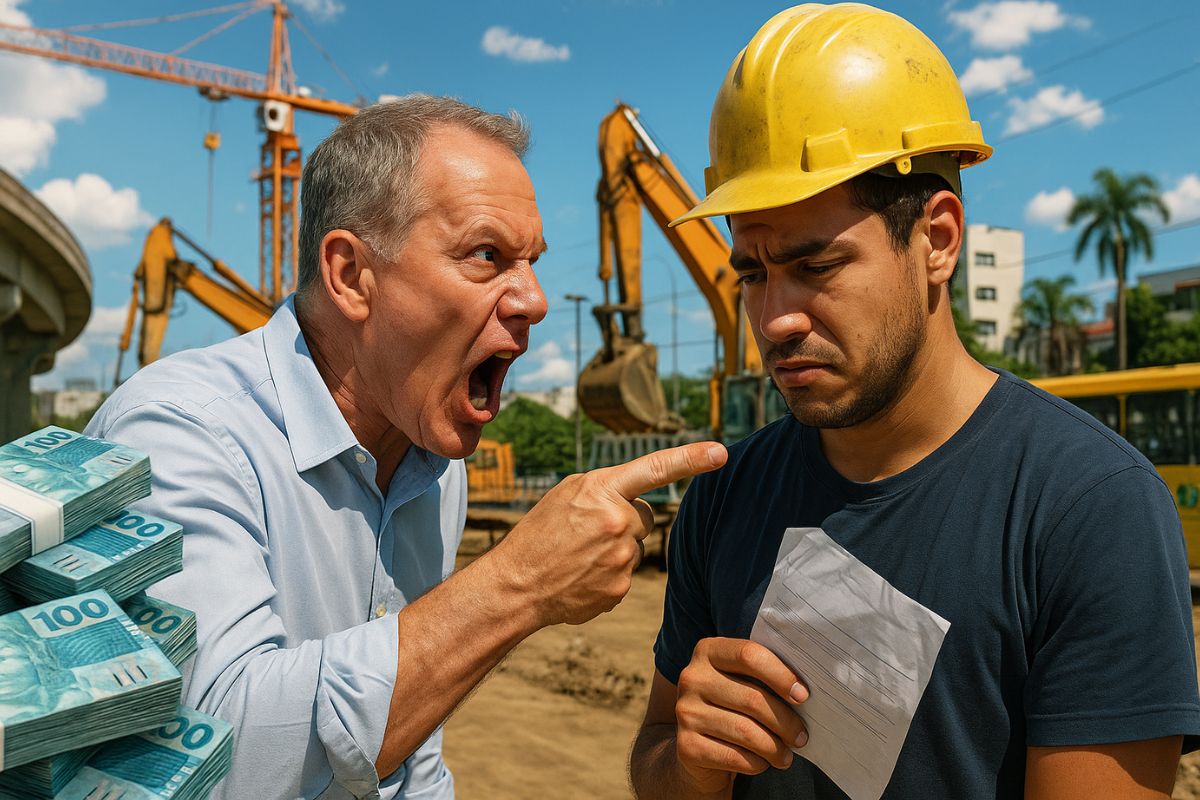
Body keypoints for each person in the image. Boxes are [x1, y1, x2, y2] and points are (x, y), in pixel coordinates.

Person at [629, 5, 1200, 799]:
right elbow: (657, 762)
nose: (774, 318)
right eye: (753, 274)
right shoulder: (727, 495)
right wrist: (689, 761)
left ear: (937, 239)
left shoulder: (1088, 510)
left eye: (818, 265)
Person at [86, 95, 727, 799]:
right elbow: (211, 765)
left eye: (533, 262)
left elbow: (408, 758)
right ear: (352, 275)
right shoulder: (180, 434)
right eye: (488, 255)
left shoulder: (432, 465)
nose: (537, 301)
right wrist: (517, 585)